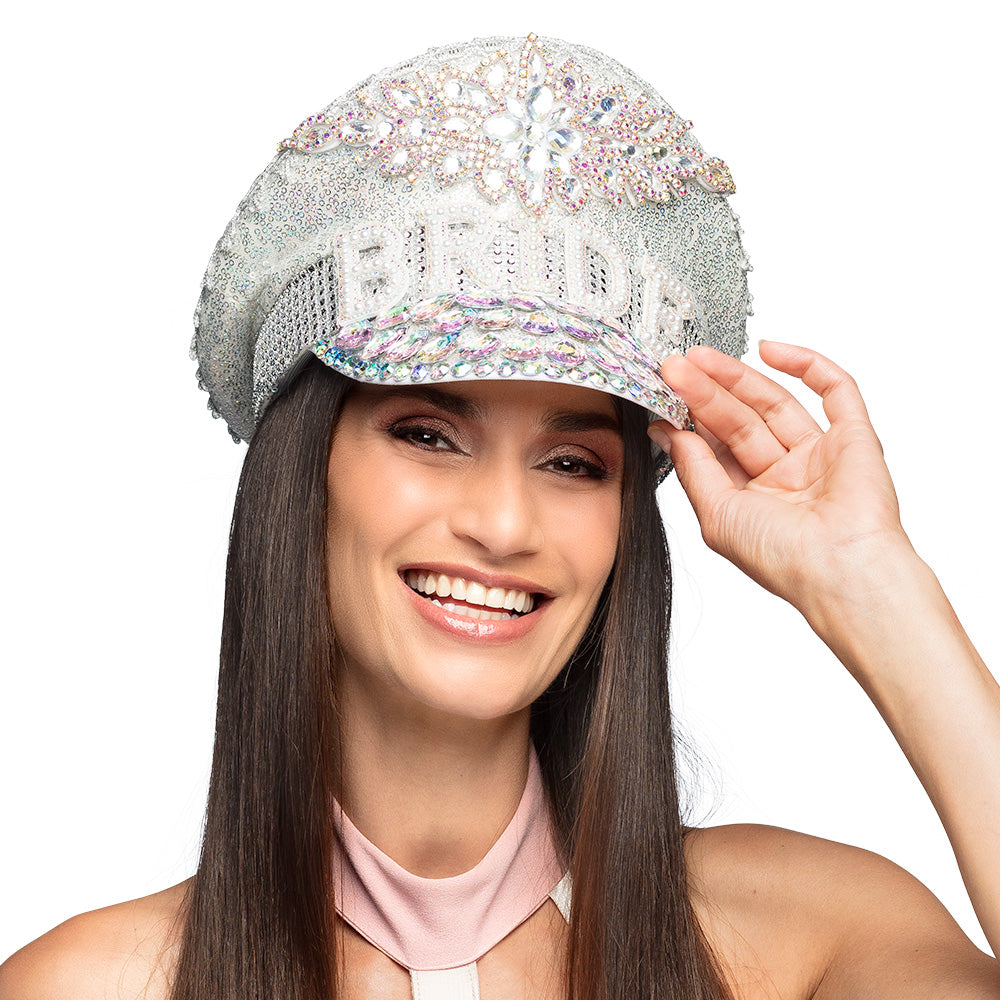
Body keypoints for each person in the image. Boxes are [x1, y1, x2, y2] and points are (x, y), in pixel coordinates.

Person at [2, 31, 998, 1000]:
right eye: (428, 434)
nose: (506, 523)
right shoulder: (91, 985)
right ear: (304, 475)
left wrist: (870, 585)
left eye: (572, 462)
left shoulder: (806, 938)